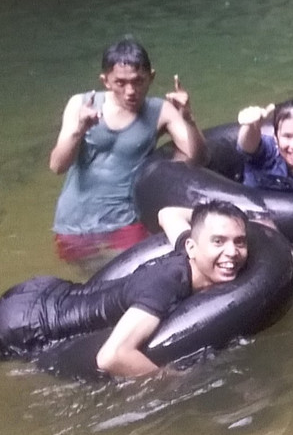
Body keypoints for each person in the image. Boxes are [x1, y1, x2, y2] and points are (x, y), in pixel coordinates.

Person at [0, 200, 248, 378]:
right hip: (27, 326)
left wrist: (212, 221)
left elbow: (167, 213)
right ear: (194, 247)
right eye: (218, 241)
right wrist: (176, 380)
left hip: (45, 292)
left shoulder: (186, 248)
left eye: (239, 242)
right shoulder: (167, 284)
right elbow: (112, 356)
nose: (232, 252)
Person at [49, 37, 207, 267]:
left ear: (151, 77)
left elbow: (199, 158)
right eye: (120, 83)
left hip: (126, 221)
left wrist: (188, 119)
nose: (130, 91)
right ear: (106, 81)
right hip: (73, 223)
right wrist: (79, 129)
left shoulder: (161, 111)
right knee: (93, 288)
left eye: (138, 81)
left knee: (139, 275)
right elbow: (57, 166)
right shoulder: (81, 105)